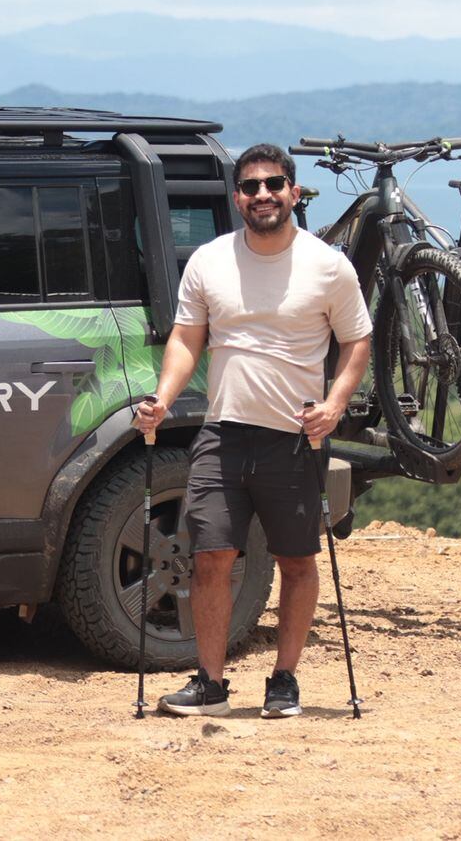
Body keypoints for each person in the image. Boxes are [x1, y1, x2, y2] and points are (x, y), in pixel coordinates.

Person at [134, 142, 372, 718]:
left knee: (296, 561)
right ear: (235, 197)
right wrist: (162, 399)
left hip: (294, 436)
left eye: (273, 183)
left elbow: (358, 339)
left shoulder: (328, 265)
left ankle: (284, 679)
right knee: (211, 556)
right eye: (249, 186)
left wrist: (335, 405)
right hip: (223, 432)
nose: (261, 194)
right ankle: (210, 684)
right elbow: (187, 338)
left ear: (293, 191)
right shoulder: (209, 261)